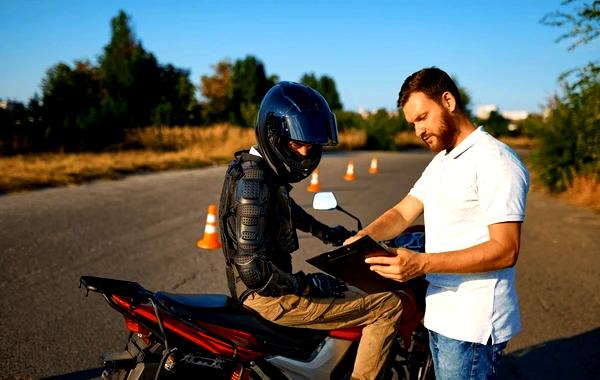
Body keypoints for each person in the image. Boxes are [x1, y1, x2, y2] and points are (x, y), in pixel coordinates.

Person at [345, 67, 529, 379]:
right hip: (441, 315)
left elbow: (505, 249)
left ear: (448, 101)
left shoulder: (495, 161)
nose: (418, 131)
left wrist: (422, 264)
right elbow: (403, 213)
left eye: (422, 117)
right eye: (412, 123)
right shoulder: (443, 161)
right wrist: (363, 237)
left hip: (474, 325)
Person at [218, 81, 403, 380]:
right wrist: (305, 285)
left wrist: (326, 232)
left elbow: (285, 207)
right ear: (274, 136)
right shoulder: (254, 184)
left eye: (311, 144)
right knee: (388, 304)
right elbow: (252, 269)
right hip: (271, 298)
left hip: (269, 291)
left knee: (346, 288)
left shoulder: (259, 171)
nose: (305, 152)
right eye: (296, 143)